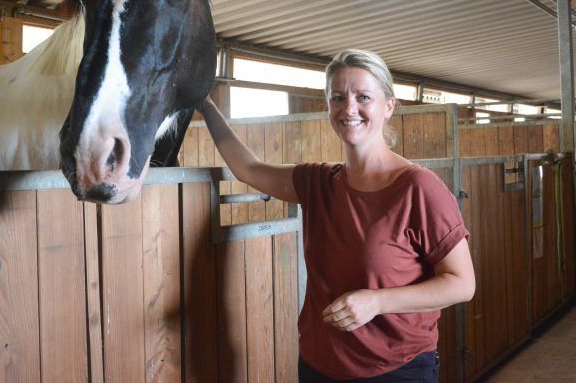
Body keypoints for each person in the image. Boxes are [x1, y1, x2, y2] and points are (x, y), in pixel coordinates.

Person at [198, 49, 475, 382]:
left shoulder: (418, 188)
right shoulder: (317, 183)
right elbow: (248, 168)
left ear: (388, 106)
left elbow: (462, 284)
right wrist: (203, 101)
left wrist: (377, 302)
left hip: (397, 369)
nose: (349, 108)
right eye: (338, 98)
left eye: (363, 97)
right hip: (319, 366)